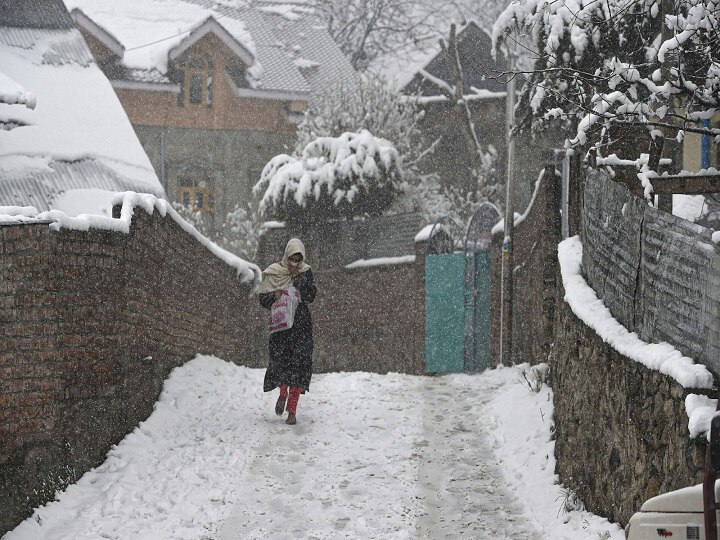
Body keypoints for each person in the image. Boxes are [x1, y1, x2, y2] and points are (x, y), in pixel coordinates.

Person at [257, 238, 317, 425]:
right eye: (292, 259)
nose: (295, 263)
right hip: (282, 329)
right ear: (286, 257)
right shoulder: (275, 272)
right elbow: (263, 299)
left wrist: (301, 283)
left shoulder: (306, 272)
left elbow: (311, 296)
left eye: (299, 259)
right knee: (283, 364)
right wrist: (274, 295)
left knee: (299, 366)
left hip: (301, 327)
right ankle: (282, 394)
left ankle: (292, 410)